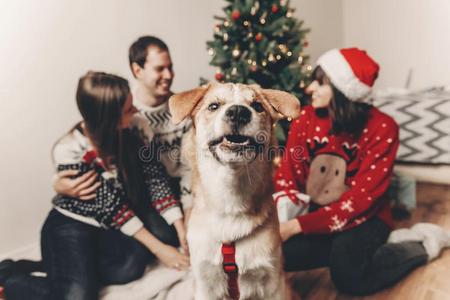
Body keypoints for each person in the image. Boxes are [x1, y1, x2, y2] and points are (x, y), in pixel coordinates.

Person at [274, 48, 450, 295]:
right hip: (315, 213)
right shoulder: (305, 121)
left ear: (343, 90)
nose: (310, 88)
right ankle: (354, 252)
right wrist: (283, 214)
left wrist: (295, 227)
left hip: (367, 217)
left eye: (320, 83)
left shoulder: (383, 128)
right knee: (277, 255)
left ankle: (420, 243)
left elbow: (360, 201)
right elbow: (287, 174)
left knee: (350, 277)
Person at [0, 71, 189, 300]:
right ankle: (11, 281)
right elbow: (111, 207)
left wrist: (181, 228)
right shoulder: (69, 150)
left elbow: (155, 178)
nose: (137, 111)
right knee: (78, 295)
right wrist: (160, 250)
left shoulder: (138, 128)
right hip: (72, 224)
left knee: (131, 266)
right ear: (108, 119)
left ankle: (59, 267)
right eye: (129, 109)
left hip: (108, 225)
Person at [54, 36, 193, 225]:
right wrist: (58, 181)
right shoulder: (121, 105)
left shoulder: (178, 110)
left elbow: (185, 168)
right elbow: (90, 144)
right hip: (137, 193)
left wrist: (187, 212)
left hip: (170, 186)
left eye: (170, 67)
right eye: (160, 68)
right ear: (137, 70)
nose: (169, 75)